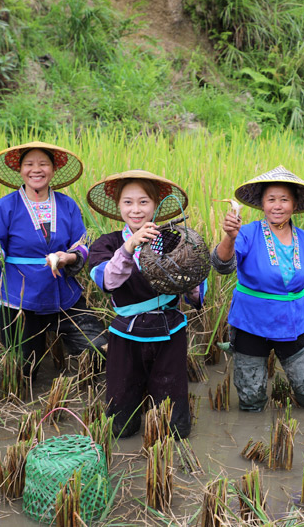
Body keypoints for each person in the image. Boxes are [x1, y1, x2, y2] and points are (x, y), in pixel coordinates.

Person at [0, 142, 107, 378]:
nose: (37, 170)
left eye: (43, 164)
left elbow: (82, 246)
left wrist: (68, 257)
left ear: (53, 170)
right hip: (18, 295)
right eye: (29, 164)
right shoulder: (7, 205)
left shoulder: (67, 205)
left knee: (97, 349)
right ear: (20, 170)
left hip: (62, 292)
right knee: (23, 369)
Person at [86, 170, 201, 439]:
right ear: (118, 206)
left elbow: (192, 289)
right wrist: (129, 247)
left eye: (143, 202)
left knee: (174, 426)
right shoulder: (107, 243)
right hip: (126, 334)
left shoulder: (172, 240)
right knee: (121, 423)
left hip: (169, 331)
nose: (135, 210)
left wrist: (193, 282)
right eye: (128, 202)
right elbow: (107, 282)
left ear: (155, 206)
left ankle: (170, 447)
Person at [211, 165, 304, 412]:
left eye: (284, 200)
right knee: (251, 400)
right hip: (251, 323)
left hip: (294, 322)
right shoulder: (246, 233)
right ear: (262, 203)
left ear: (295, 205)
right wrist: (230, 237)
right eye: (271, 199)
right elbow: (222, 266)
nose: (277, 206)